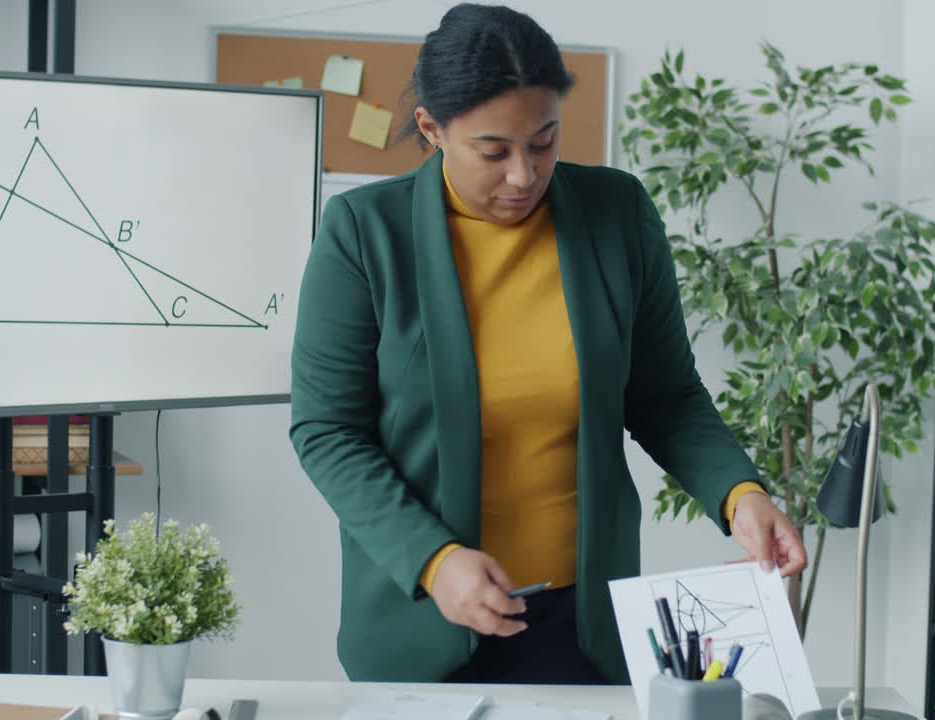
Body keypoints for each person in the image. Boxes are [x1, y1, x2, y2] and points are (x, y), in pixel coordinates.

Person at [288, 3, 807, 686]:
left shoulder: (616, 215)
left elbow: (666, 396)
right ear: (432, 129)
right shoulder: (363, 231)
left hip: (584, 624)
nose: (524, 176)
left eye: (543, 141)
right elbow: (328, 431)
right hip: (422, 620)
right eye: (493, 151)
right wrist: (434, 560)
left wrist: (740, 494)